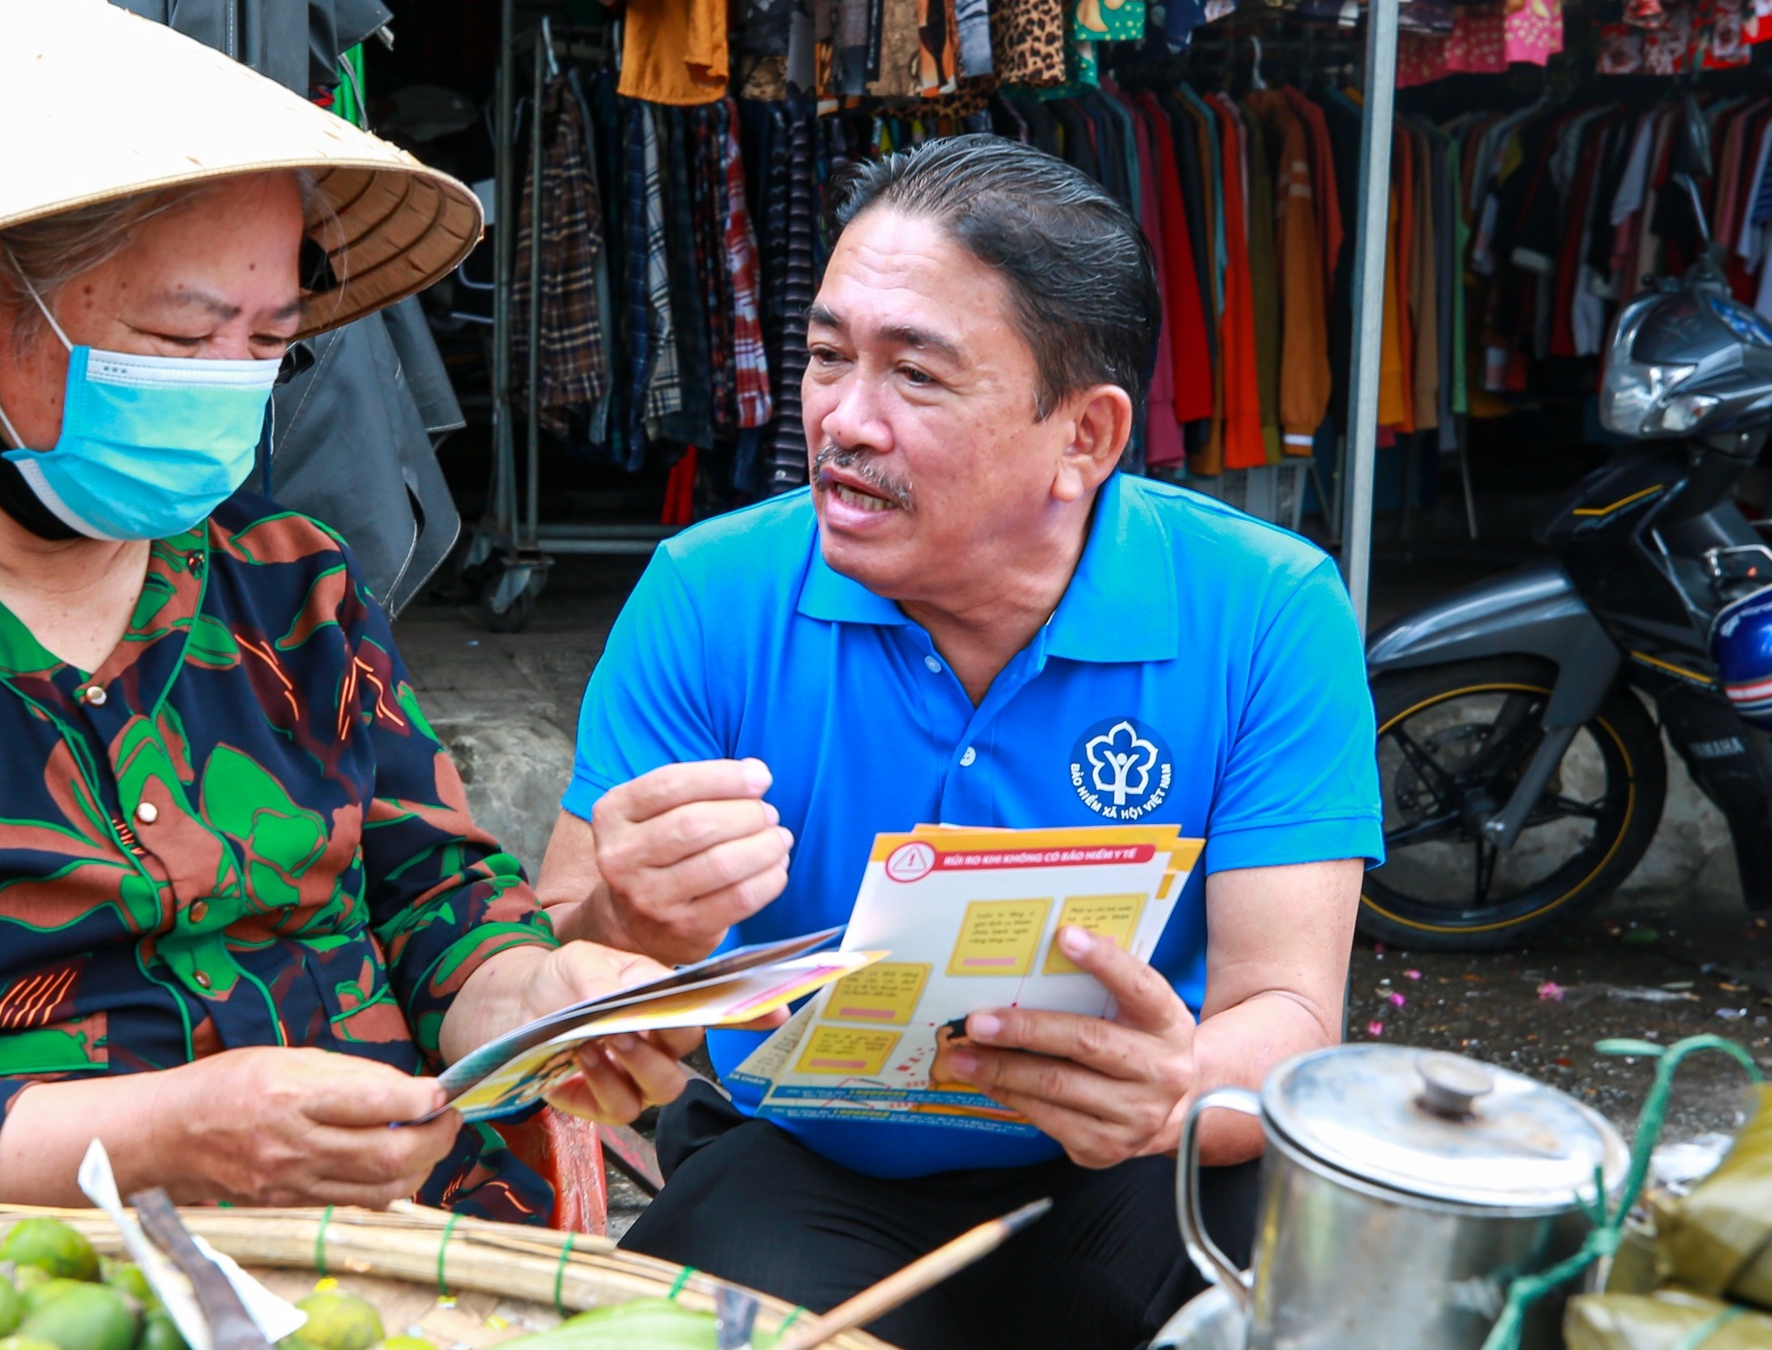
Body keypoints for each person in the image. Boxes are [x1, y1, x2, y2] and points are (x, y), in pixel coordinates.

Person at [0, 0, 696, 1224]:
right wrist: (162, 1138)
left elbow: (442, 905)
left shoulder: (293, 583)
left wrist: (544, 1006)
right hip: (42, 1287)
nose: (230, 383)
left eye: (270, 342)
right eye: (180, 334)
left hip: (423, 1256)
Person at [536, 135, 1383, 1350]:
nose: (843, 421)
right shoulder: (708, 593)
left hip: (1138, 1163)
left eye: (917, 377)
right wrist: (625, 928)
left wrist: (1171, 1091)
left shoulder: (1263, 608)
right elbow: (552, 970)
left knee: (1307, 1308)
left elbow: (1287, 1013)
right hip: (800, 1157)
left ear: (1083, 438)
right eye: (828, 357)